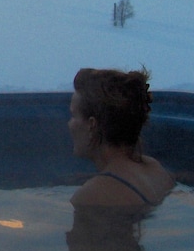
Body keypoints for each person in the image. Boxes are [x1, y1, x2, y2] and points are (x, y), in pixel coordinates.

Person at [68, 67, 174, 207]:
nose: (69, 124)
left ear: (91, 125)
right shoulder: (156, 171)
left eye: (73, 116)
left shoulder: (91, 196)